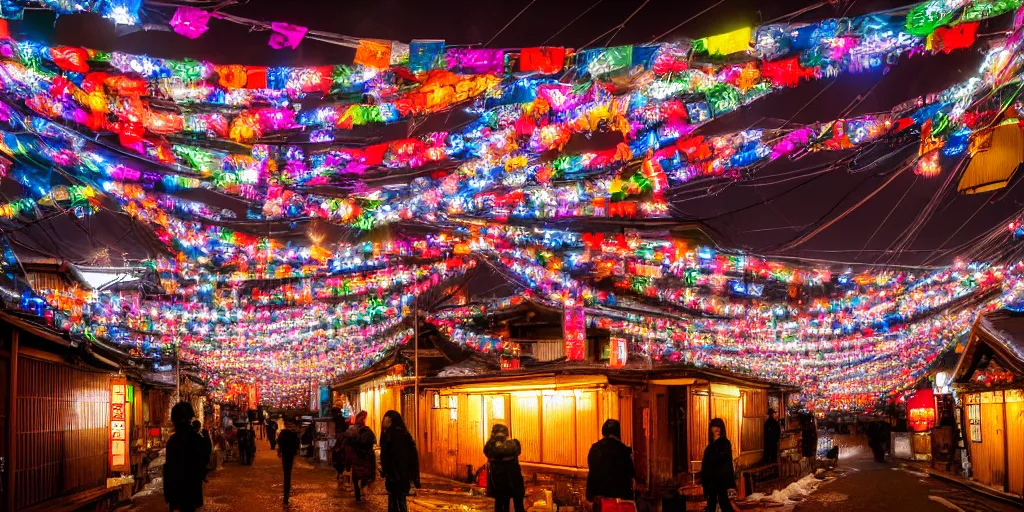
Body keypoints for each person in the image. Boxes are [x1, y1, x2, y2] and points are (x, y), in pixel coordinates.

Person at [164, 402, 207, 512]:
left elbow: (169, 469)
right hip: (190, 491)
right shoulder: (197, 439)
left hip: (176, 493)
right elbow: (201, 465)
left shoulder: (173, 441)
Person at [585, 419, 635, 512]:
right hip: (619, 502)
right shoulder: (624, 450)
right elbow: (631, 473)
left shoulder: (595, 448)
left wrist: (590, 496)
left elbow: (592, 471)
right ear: (618, 433)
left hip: (600, 501)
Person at [379, 410, 420, 512]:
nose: (384, 421)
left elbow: (392, 456)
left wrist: (389, 472)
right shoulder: (401, 434)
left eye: (387, 418)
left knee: (397, 500)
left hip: (396, 474)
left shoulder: (392, 435)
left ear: (391, 421)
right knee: (398, 500)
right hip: (400, 474)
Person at [484, 424, 526, 512]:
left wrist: (492, 439)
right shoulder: (515, 444)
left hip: (499, 484)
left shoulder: (491, 448)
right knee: (519, 506)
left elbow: (486, 450)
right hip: (515, 482)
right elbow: (518, 451)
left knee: (500, 506)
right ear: (506, 434)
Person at [701, 418, 735, 512]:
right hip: (712, 482)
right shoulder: (709, 447)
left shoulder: (725, 443)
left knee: (725, 504)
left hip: (721, 481)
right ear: (711, 429)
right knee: (712, 505)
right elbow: (706, 466)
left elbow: (724, 462)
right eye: (714, 426)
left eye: (718, 427)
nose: (716, 429)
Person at [347, 411, 377, 501]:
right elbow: (373, 441)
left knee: (358, 474)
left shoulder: (353, 430)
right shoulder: (366, 430)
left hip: (358, 455)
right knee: (364, 473)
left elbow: (348, 444)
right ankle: (360, 489)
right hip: (363, 456)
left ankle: (358, 492)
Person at [277, 417, 301, 504]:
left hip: (285, 454)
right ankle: (287, 485)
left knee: (286, 471)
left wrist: (280, 450)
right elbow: (297, 444)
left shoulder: (283, 433)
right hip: (290, 454)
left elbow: (279, 442)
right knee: (288, 471)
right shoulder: (293, 433)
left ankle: (286, 486)